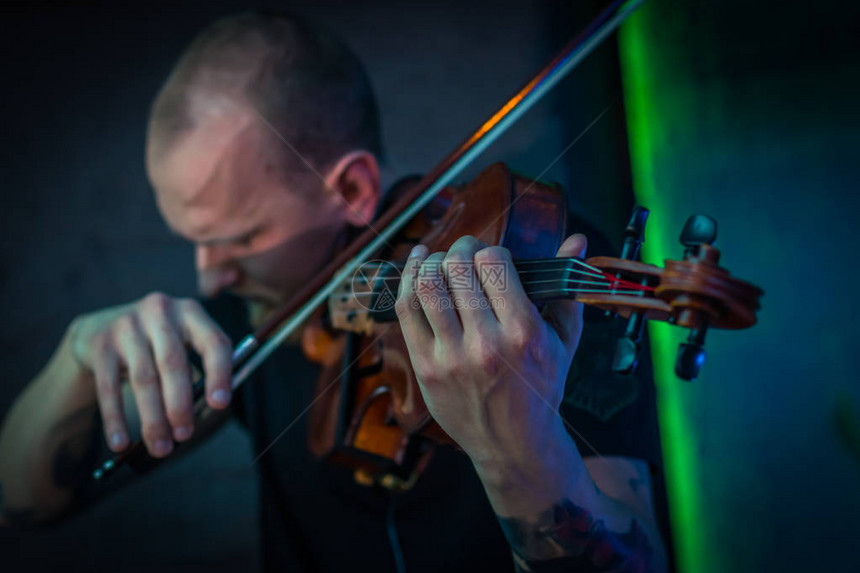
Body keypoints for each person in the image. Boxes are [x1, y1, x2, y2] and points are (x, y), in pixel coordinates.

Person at [0, 11, 668, 573]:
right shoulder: (254, 315)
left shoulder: (533, 269)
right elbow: (26, 502)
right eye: (194, 240)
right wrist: (76, 355)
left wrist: (517, 451)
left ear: (349, 190)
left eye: (241, 236)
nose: (209, 276)